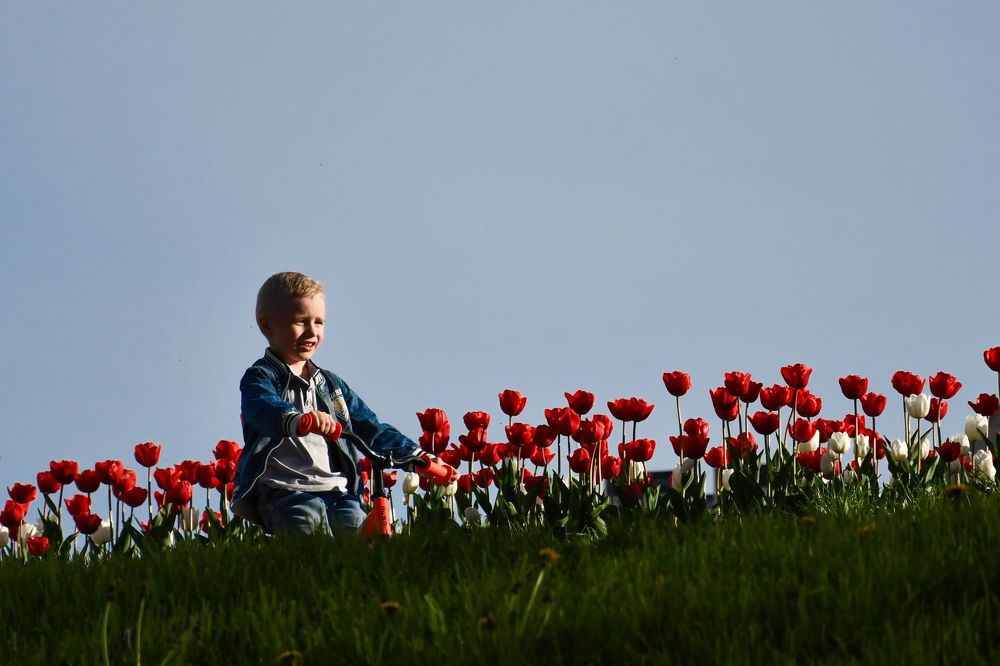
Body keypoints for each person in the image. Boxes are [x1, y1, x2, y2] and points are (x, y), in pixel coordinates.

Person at [231, 271, 452, 535]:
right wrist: (297, 419)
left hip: (336, 489)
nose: (312, 331)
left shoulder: (331, 387)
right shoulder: (262, 377)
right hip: (285, 489)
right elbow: (261, 407)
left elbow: (369, 427)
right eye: (300, 321)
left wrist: (417, 458)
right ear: (267, 326)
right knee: (309, 529)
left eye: (319, 322)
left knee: (359, 532)